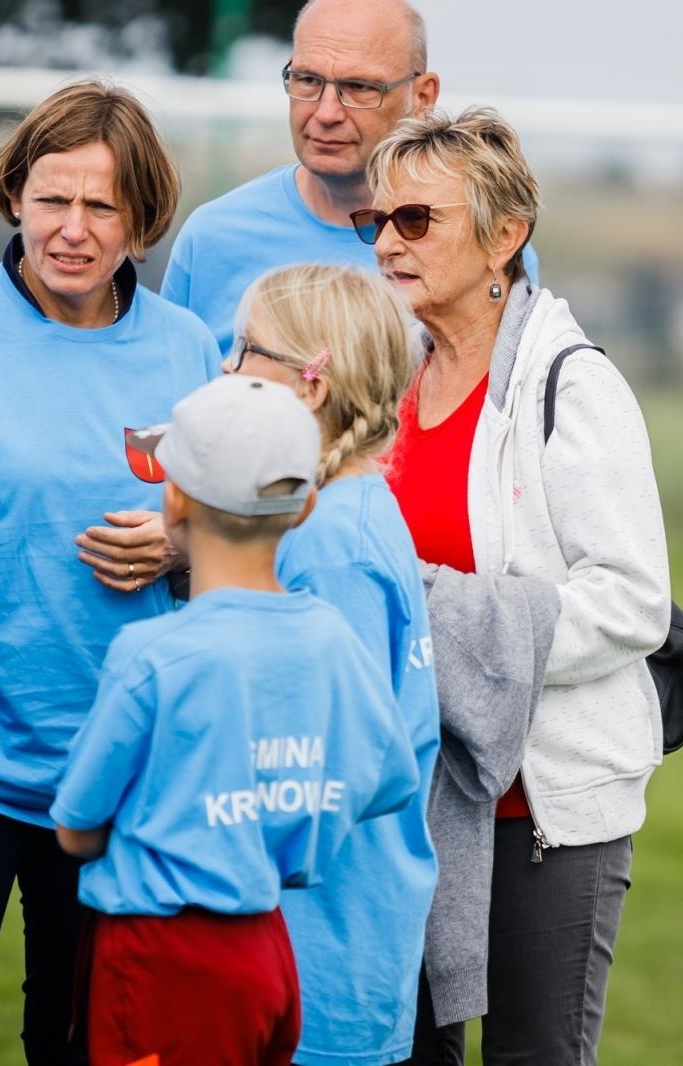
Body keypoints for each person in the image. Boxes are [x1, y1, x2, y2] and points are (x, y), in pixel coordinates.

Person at [0, 81, 221, 1065]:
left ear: (142, 217)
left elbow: (240, 545)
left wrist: (181, 541)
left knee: (81, 1043)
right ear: (13, 196)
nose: (72, 229)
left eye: (101, 206)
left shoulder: (190, 351)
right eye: (51, 199)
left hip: (118, 769)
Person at [362, 110, 671, 1065]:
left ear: (505, 235)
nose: (385, 241)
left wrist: (455, 627)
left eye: (416, 221)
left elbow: (632, 600)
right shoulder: (387, 382)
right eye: (376, 220)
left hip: (542, 810)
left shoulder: (573, 387)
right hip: (403, 801)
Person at [52, 374, 420, 1066]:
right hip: (269, 950)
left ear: (176, 497)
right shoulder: (331, 638)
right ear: (308, 504)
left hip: (163, 957)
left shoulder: (154, 655)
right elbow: (390, 777)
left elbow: (75, 828)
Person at [223, 264, 439, 1066]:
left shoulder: (330, 546)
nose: (226, 368)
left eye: (248, 350)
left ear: (312, 385)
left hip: (317, 949)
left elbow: (330, 766)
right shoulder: (352, 513)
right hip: (328, 940)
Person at [161, 0, 536, 355]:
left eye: (359, 88)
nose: (326, 112)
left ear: (423, 96)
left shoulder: (479, 251)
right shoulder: (213, 237)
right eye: (307, 80)